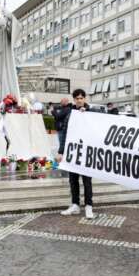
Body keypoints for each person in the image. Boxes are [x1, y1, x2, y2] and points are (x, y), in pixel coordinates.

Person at [57, 89, 95, 219]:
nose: (79, 100)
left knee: (87, 181)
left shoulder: (92, 112)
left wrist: (86, 114)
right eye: (77, 98)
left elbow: (99, 124)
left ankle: (89, 206)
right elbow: (65, 133)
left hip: (86, 153)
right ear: (74, 100)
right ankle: (75, 205)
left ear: (85, 99)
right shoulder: (70, 113)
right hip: (73, 152)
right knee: (73, 180)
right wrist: (61, 152)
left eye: (81, 98)